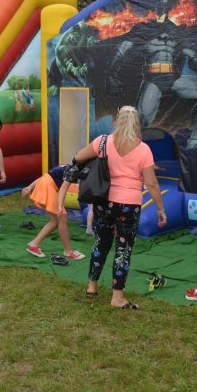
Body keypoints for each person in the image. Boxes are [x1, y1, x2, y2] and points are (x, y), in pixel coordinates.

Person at [71, 106, 165, 309]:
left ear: (117, 121)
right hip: (129, 205)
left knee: (101, 242)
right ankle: (117, 297)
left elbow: (79, 156)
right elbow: (152, 183)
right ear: (137, 124)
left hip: (103, 201)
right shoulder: (143, 150)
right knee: (123, 249)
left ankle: (92, 285)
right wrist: (160, 209)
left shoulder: (102, 142)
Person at [21, 165, 85, 260]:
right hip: (47, 187)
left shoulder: (68, 167)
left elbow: (46, 176)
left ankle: (34, 244)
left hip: (45, 185)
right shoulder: (73, 170)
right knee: (62, 218)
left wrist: (30, 186)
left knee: (55, 221)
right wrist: (60, 206)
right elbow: (63, 189)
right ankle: (68, 251)